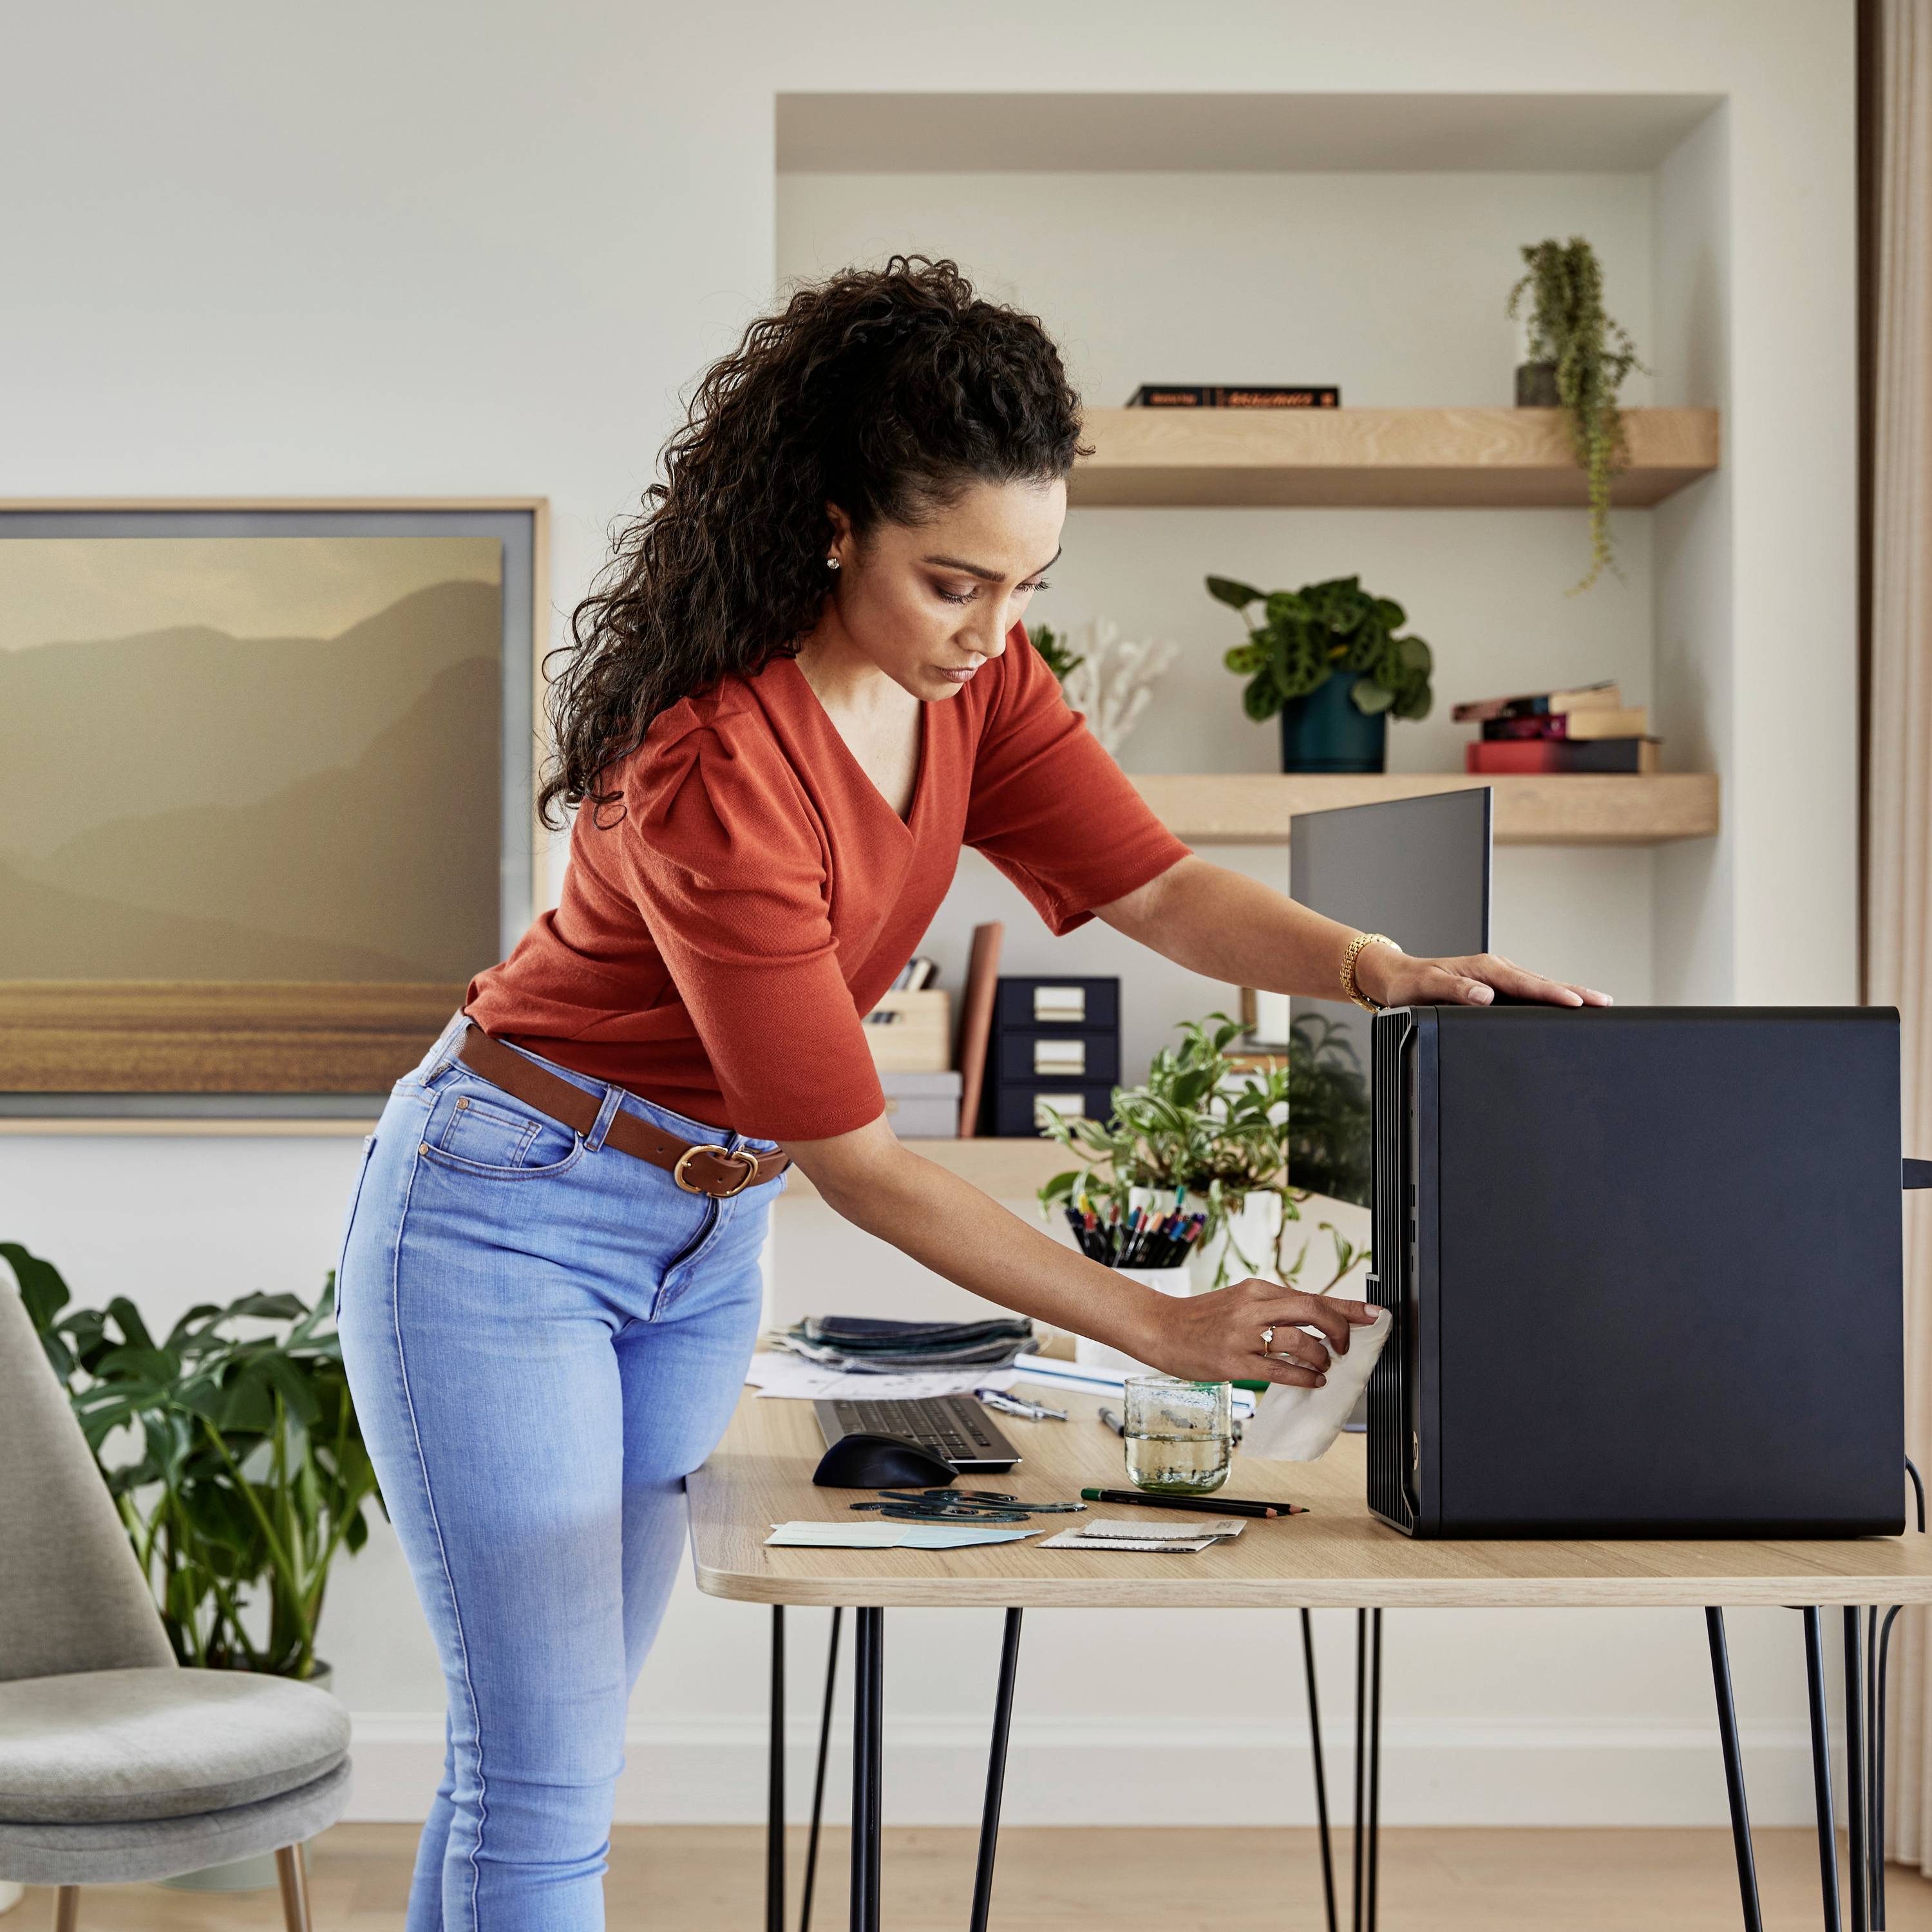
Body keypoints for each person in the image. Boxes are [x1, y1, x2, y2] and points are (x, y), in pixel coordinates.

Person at [332, 253, 1610, 1931]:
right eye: (955, 582)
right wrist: (1158, 1326)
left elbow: (1153, 888)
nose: (998, 633)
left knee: (547, 1749)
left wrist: (1381, 964)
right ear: (833, 522)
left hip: (698, 1235)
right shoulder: (718, 767)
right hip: (509, 1216)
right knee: (546, 1765)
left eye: (1026, 582)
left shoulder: (976, 687)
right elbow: (860, 1161)